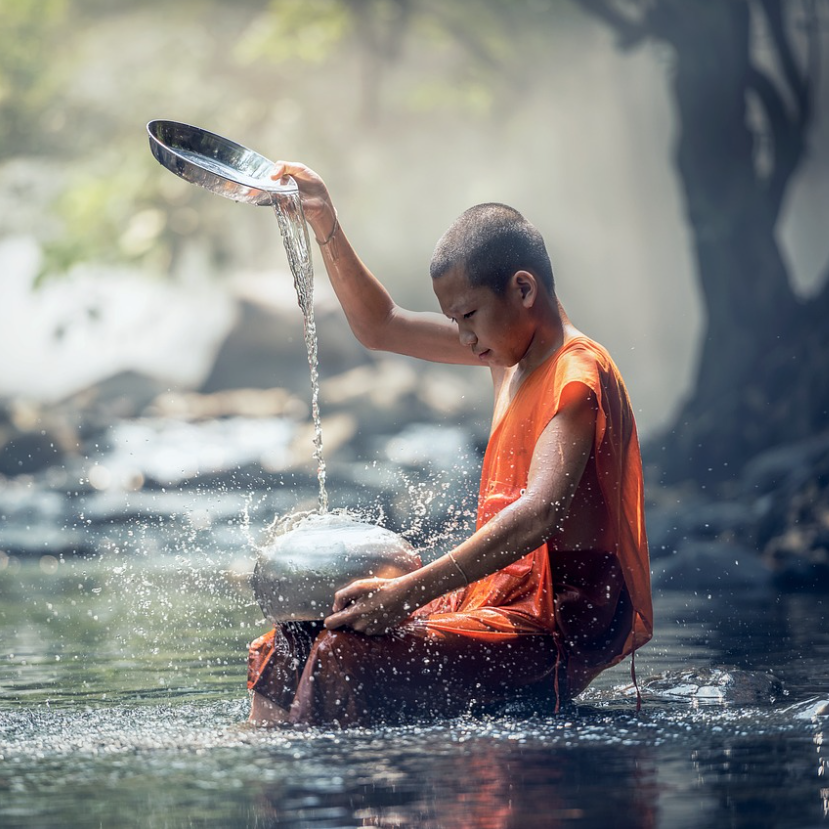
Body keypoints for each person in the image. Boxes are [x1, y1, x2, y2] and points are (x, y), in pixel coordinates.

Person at [247, 162, 653, 727]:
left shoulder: (575, 373)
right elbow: (381, 325)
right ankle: (266, 774)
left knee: (341, 654)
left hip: (554, 626)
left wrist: (409, 593)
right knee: (292, 637)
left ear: (523, 289)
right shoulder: (505, 350)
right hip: (494, 600)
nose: (464, 339)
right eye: (453, 320)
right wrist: (324, 222)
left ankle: (354, 803)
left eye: (468, 316)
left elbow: (540, 513)